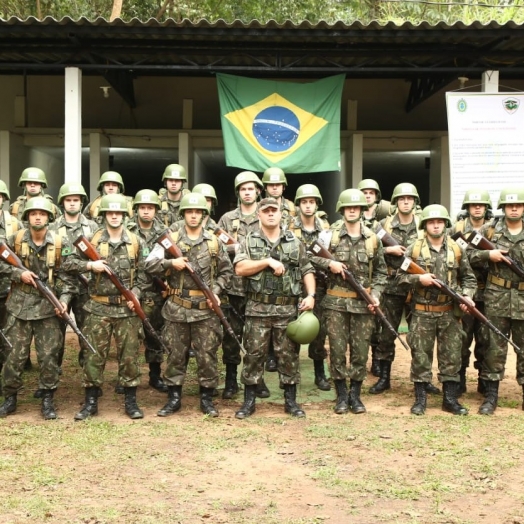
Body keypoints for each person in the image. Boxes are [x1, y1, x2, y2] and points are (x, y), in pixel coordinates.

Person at [145, 192, 232, 417]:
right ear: (183, 214)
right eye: (189, 212)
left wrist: (216, 291)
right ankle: (174, 397)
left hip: (205, 309)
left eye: (198, 212)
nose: (193, 216)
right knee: (175, 354)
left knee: (207, 354)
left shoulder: (213, 241)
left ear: (204, 215)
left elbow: (226, 271)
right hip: (177, 307)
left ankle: (206, 398)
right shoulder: (169, 239)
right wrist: (170, 262)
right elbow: (149, 265)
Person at [234, 197, 316, 419]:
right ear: (259, 215)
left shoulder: (294, 242)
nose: (270, 214)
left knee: (288, 356)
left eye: (274, 210)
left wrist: (311, 295)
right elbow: (240, 268)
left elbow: (307, 269)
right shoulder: (248, 241)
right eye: (266, 211)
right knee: (253, 355)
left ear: (281, 214)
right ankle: (248, 402)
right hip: (257, 309)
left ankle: (291, 401)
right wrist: (266, 262)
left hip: (286, 311)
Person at [70, 193, 149, 420]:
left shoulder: (135, 241)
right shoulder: (91, 240)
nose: (114, 217)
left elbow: (146, 274)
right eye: (110, 213)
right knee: (94, 355)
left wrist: (136, 293)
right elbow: (67, 263)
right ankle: (90, 402)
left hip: (126, 309)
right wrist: (89, 264)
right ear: (104, 215)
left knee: (129, 356)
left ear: (124, 215)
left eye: (118, 213)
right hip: (98, 307)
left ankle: (131, 401)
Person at [311, 189, 386, 415]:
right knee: (336, 349)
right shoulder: (329, 236)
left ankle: (355, 394)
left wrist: (377, 295)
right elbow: (310, 254)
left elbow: (382, 272)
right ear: (342, 210)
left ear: (362, 210)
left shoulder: (373, 239)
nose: (352, 210)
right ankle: (341, 395)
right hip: (335, 303)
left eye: (356, 207)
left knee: (361, 350)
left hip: (362, 304)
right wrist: (329, 265)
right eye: (348, 207)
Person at [0, 197, 75, 419]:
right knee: (14, 355)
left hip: (48, 308)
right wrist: (18, 273)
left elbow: (68, 277)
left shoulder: (60, 243)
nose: (38, 217)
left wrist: (64, 300)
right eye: (33, 214)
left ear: (49, 218)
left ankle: (47, 398)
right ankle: (10, 397)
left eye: (42, 214)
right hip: (19, 306)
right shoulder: (15, 239)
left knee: (48, 356)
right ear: (27, 217)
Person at [398, 204, 476, 416]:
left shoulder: (456, 249)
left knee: (451, 356)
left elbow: (469, 278)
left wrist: (467, 295)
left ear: (445, 224)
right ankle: (420, 399)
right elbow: (399, 278)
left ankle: (449, 399)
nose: (435, 225)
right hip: (422, 311)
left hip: (449, 311)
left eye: (439, 222)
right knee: (421, 355)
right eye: (431, 222)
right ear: (425, 225)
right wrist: (418, 279)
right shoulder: (413, 249)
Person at [369, 182, 441, 396]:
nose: (406, 201)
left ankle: (423, 379)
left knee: (420, 336)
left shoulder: (423, 224)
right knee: (386, 334)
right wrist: (386, 249)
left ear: (415, 202)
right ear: (395, 202)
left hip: (418, 288)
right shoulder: (383, 226)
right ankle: (384, 378)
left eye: (409, 198)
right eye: (402, 199)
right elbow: (368, 251)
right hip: (391, 287)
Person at [469, 188, 524, 415]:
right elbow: (468, 255)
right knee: (494, 346)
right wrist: (487, 255)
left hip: (523, 297)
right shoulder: (488, 231)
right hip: (496, 297)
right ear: (502, 207)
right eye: (509, 205)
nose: (514, 208)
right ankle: (491, 396)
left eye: (518, 205)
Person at [216, 171, 267, 400]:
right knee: (231, 335)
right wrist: (236, 249)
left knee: (259, 337)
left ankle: (258, 380)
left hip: (259, 287)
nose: (247, 192)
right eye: (243, 189)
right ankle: (230, 379)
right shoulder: (227, 219)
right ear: (238, 192)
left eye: (251, 188)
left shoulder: (266, 216)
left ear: (258, 191)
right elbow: (217, 249)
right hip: (233, 287)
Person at [50, 183, 98, 375]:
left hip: (86, 287)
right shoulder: (53, 228)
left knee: (88, 331)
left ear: (81, 202)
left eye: (75, 200)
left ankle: (89, 372)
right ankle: (53, 372)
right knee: (55, 332)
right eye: (68, 200)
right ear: (62, 203)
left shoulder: (93, 227)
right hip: (60, 287)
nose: (72, 204)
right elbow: (53, 260)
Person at [449, 188, 493, 394]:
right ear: (467, 207)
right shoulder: (456, 229)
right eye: (473, 205)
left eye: (481, 205)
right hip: (465, 293)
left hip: (489, 293)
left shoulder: (494, 230)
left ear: (486, 207)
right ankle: (459, 378)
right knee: (461, 338)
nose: (477, 208)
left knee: (486, 340)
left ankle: (484, 380)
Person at [288, 184, 331, 391]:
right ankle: (291, 375)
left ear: (317, 204)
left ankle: (320, 372)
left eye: (311, 202)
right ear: (298, 205)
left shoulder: (326, 230)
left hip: (320, 286)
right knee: (293, 330)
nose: (307, 206)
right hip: (294, 286)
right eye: (304, 202)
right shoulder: (288, 229)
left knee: (319, 331)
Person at [127, 189, 169, 393]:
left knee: (154, 334)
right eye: (142, 207)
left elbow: (168, 262)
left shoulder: (164, 233)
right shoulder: (127, 230)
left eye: (150, 208)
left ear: (156, 210)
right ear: (136, 209)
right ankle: (126, 375)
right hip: (131, 289)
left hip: (154, 290)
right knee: (130, 336)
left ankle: (155, 374)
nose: (146, 211)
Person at [261, 166, 295, 372]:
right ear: (265, 188)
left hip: (288, 263)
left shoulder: (293, 209)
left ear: (283, 187)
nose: (275, 188)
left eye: (278, 185)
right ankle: (269, 356)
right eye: (271, 185)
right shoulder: (262, 208)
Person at [357, 178, 391, 377]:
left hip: (379, 280)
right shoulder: (352, 218)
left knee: (378, 323)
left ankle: (377, 361)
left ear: (376, 196)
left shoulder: (384, 223)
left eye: (371, 192)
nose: (368, 195)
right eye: (364, 192)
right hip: (359, 280)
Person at [0, 181, 21, 394]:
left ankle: (7, 384)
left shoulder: (13, 225)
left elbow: (20, 257)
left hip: (7, 289)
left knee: (8, 336)